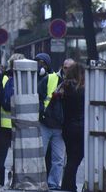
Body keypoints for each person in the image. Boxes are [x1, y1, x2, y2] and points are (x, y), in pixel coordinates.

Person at [0, 53, 24, 188]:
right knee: (21, 156)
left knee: (0, 157)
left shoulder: (4, 78)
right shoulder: (26, 79)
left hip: (4, 124)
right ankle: (17, 182)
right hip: (20, 123)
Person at [36, 52, 64, 190]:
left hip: (59, 126)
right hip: (45, 123)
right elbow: (39, 98)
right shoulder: (50, 78)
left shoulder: (69, 82)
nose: (39, 65)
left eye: (42, 62)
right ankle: (40, 182)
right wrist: (42, 114)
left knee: (57, 158)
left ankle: (53, 183)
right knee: (41, 155)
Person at [59, 62, 84, 192]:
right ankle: (66, 186)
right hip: (79, 127)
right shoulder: (81, 89)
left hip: (67, 128)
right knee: (76, 158)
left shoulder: (64, 86)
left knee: (70, 157)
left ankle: (70, 186)